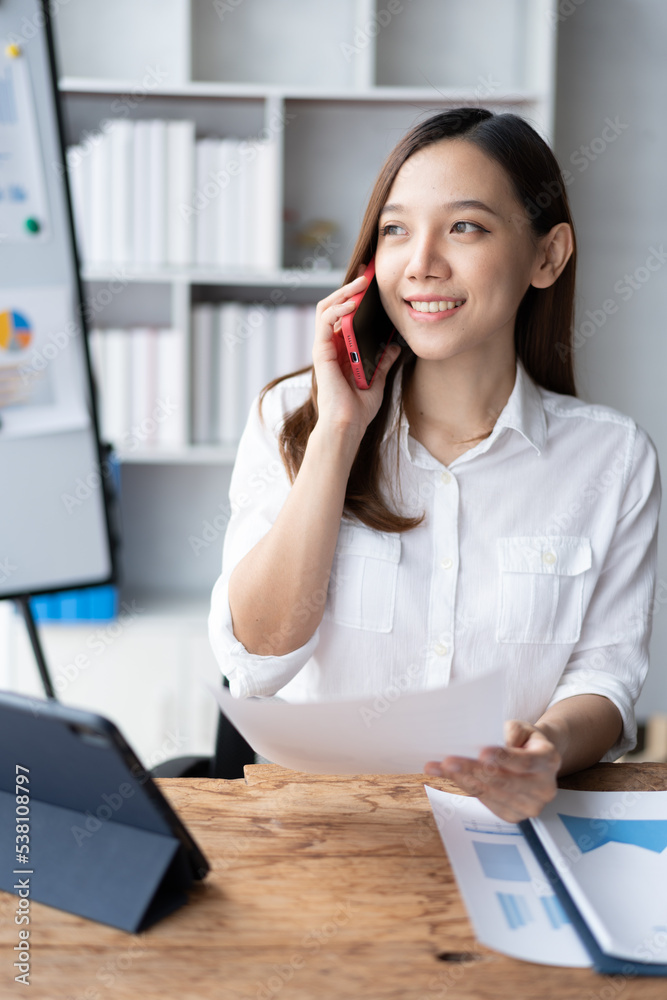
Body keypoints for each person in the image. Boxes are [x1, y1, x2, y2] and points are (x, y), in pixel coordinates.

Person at [208, 107, 660, 822]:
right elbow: (256, 659)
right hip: (320, 832)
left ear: (547, 256)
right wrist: (337, 435)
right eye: (395, 230)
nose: (420, 262)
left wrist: (543, 749)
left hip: (506, 828)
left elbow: (604, 678)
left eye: (464, 227)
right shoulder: (292, 418)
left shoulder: (611, 458)